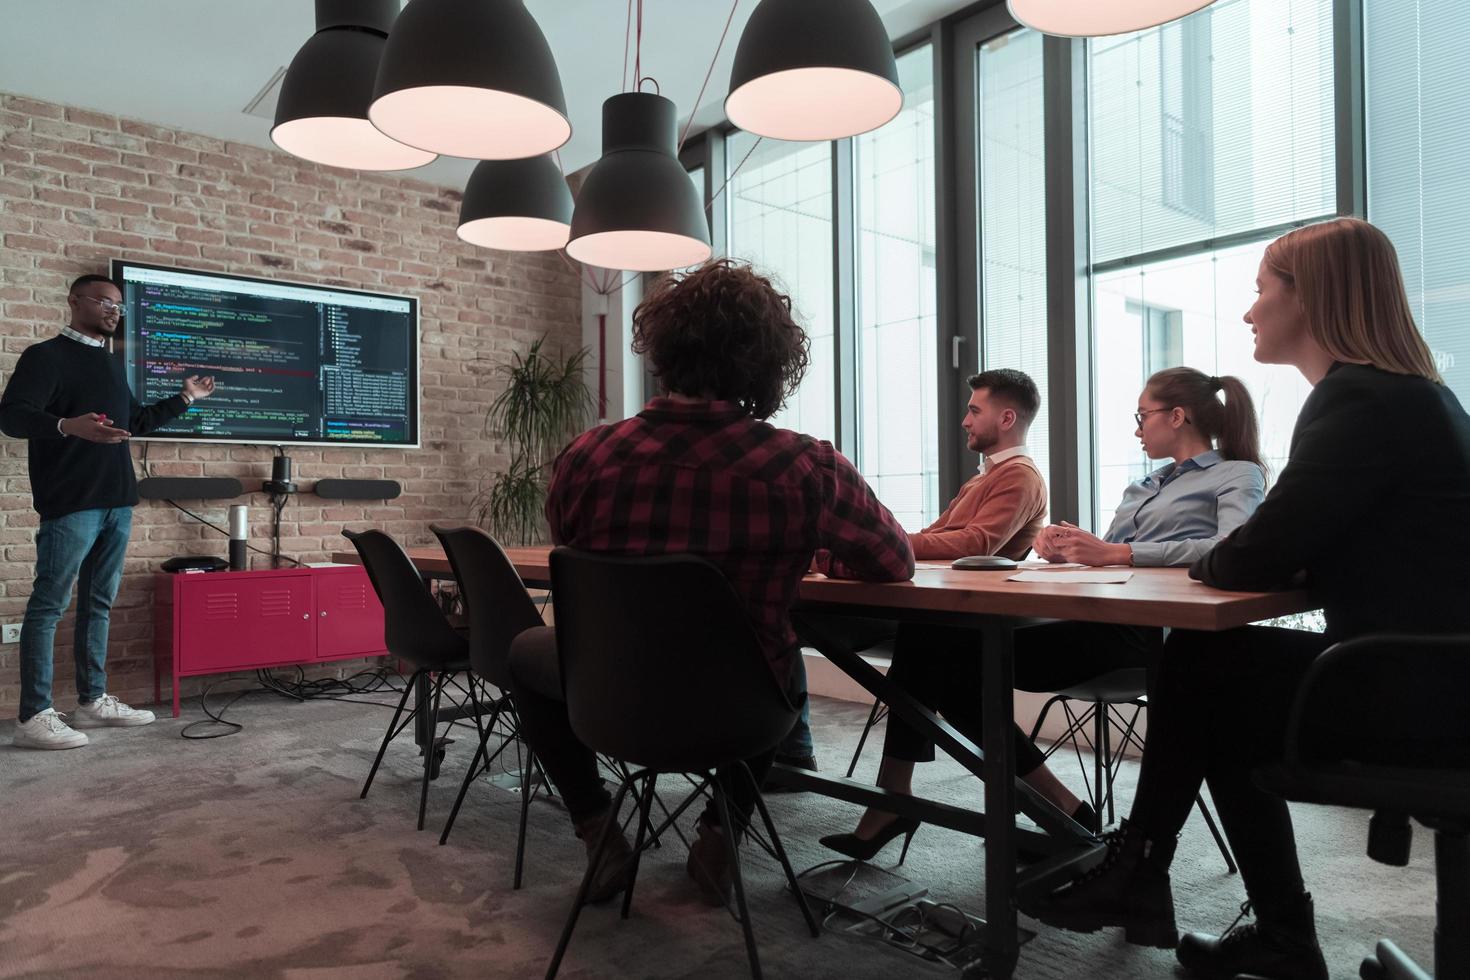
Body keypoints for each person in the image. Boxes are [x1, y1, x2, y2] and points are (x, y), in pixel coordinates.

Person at [1029, 217, 1470, 980]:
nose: (1249, 310)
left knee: (1207, 661)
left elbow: (1250, 555)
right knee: (1221, 672)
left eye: (1262, 289)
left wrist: (1234, 555)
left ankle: (1149, 869)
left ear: (1312, 297)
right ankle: (1253, 923)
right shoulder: (1418, 397)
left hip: (1414, 690)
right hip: (1434, 674)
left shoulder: (1357, 401)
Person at [504, 259, 915, 906]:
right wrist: (811, 552)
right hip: (741, 713)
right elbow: (894, 563)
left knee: (525, 649)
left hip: (610, 694)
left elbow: (579, 555)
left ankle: (595, 824)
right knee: (763, 650)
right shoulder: (805, 467)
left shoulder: (585, 458)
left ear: (664, 349)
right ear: (767, 362)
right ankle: (724, 829)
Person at [820, 366, 1266, 861]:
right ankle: (948, 798)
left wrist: (1119, 555)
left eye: (1142, 416)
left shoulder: (1236, 474)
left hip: (1149, 636)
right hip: (1095, 617)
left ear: (1177, 416)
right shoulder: (1144, 486)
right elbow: (1111, 553)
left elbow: (1233, 547)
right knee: (936, 640)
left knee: (945, 652)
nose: (1136, 427)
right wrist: (1069, 548)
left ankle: (1023, 805)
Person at [774, 368, 1050, 779]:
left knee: (791, 619)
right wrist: (884, 541)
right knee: (792, 616)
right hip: (934, 606)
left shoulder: (1020, 477)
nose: (965, 420)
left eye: (974, 410)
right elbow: (939, 537)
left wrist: (889, 542)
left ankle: (814, 762)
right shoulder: (987, 477)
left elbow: (974, 543)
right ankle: (824, 765)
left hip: (958, 617)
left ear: (1007, 419)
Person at [1, 274, 216, 750]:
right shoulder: (45, 356)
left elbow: (134, 422)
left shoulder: (111, 363)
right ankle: (33, 716)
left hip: (118, 502)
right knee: (49, 606)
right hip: (72, 503)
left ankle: (92, 701)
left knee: (98, 603)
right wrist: (64, 425)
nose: (114, 310)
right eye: (103, 301)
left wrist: (186, 398)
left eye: (119, 305)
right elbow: (12, 416)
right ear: (75, 301)